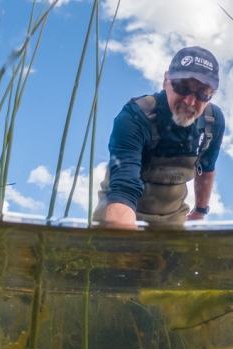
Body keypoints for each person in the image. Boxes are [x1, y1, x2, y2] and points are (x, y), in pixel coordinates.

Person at [93, 46, 225, 228]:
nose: (189, 102)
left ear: (211, 95)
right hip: (119, 212)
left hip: (172, 219)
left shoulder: (213, 121)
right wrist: (122, 249)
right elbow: (123, 187)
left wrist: (200, 212)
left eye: (202, 94)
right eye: (182, 87)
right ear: (166, 81)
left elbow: (207, 169)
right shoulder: (135, 117)